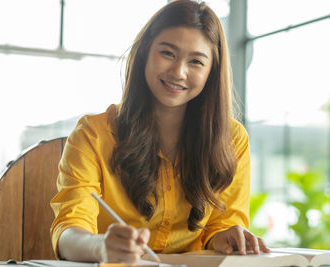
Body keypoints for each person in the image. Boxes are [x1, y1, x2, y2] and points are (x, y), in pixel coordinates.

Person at [50, 0, 270, 263]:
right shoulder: (93, 134)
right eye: (167, 53)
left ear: (212, 71)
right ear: (144, 53)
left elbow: (222, 225)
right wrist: (102, 246)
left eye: (197, 61)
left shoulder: (233, 140)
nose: (178, 72)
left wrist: (226, 236)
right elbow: (68, 232)